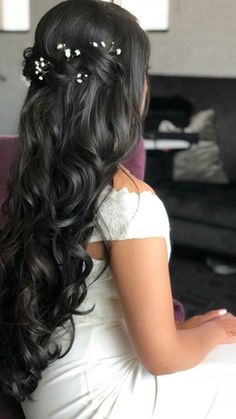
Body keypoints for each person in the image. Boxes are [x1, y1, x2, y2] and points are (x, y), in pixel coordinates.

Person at [1, 1, 236, 418]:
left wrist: (190, 328)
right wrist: (215, 329)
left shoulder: (38, 182)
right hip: (101, 404)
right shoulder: (131, 203)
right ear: (129, 89)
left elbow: (95, 315)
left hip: (48, 392)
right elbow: (161, 357)